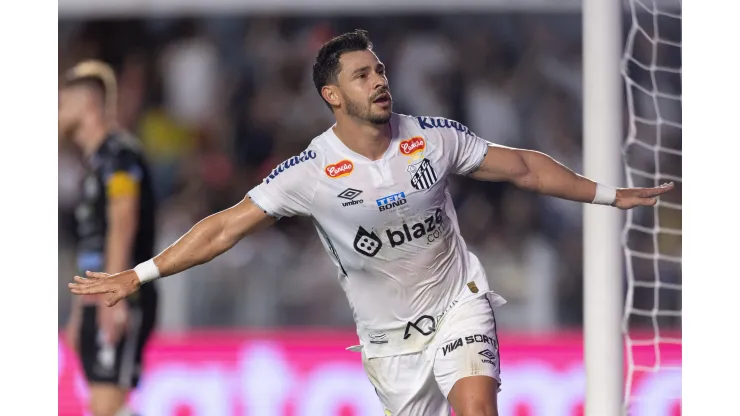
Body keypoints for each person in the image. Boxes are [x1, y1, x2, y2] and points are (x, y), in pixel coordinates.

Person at [68, 31, 672, 416]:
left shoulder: (433, 139)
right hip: (390, 344)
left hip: (460, 302)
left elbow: (524, 170)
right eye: (363, 75)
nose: (380, 79)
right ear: (332, 95)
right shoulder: (309, 171)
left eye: (380, 69)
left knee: (477, 406)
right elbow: (224, 228)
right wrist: (139, 275)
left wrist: (609, 194)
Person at [60, 60, 158, 416]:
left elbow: (123, 220)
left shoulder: (120, 155)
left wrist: (109, 297)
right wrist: (78, 311)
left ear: (86, 104)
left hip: (118, 297)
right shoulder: (94, 166)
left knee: (105, 405)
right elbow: (91, 245)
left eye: (60, 104)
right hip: (96, 299)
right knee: (108, 407)